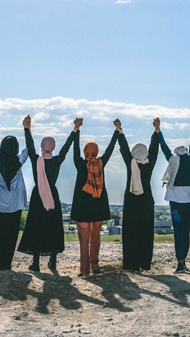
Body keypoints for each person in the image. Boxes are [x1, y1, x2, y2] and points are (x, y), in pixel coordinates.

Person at [17, 116, 79, 272]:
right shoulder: (57, 160)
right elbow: (66, 147)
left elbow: (29, 145)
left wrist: (27, 128)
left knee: (36, 227)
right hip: (53, 196)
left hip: (38, 196)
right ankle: (53, 261)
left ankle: (36, 263)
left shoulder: (35, 160)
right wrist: (75, 129)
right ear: (53, 147)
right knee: (53, 227)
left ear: (42, 146)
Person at [70, 118, 120, 277]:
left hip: (82, 208)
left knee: (83, 240)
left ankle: (84, 270)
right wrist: (117, 130)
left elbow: (75, 149)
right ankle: (95, 263)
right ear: (96, 152)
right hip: (98, 206)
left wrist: (76, 129)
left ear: (85, 152)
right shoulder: (100, 163)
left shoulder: (79, 163)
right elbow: (111, 149)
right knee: (95, 236)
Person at [0, 115, 29, 271]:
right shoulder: (19, 161)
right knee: (11, 237)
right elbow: (28, 149)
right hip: (14, 207)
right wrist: (27, 128)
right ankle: (6, 263)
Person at [118, 117, 159, 273]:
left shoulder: (131, 162)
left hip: (131, 200)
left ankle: (131, 264)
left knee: (130, 233)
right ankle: (144, 263)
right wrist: (156, 129)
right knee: (145, 233)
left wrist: (120, 130)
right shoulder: (150, 162)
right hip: (146, 201)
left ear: (133, 153)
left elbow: (123, 148)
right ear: (146, 153)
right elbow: (155, 147)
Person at [159, 121, 190, 273]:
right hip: (189, 201)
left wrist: (159, 132)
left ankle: (180, 262)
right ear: (187, 152)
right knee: (186, 232)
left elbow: (164, 149)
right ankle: (184, 261)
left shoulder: (173, 160)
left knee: (178, 232)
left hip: (175, 202)